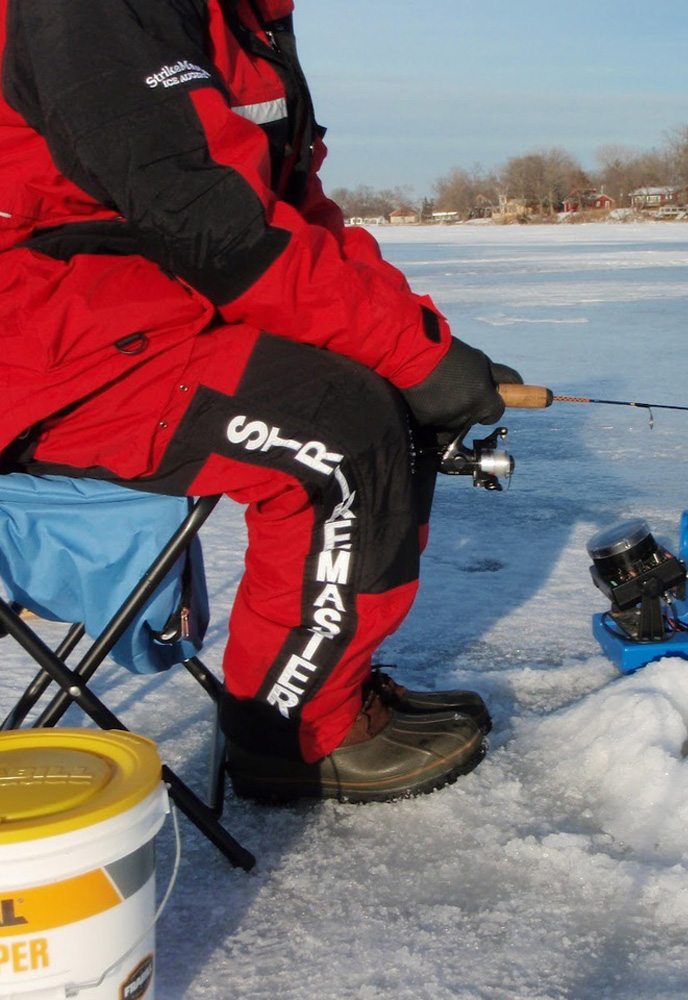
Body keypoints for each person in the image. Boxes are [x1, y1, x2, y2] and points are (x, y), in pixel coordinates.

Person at [0, 0, 521, 802]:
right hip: (41, 347)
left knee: (390, 400)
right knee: (341, 436)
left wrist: (424, 346)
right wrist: (413, 358)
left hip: (150, 311)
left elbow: (292, 212)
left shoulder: (246, 17)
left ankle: (326, 684)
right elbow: (208, 217)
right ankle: (291, 734)